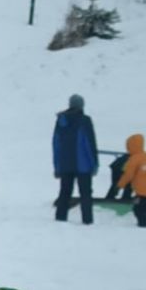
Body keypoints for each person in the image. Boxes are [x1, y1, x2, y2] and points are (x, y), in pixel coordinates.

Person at [53, 94, 99, 224]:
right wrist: (94, 164)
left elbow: (56, 144)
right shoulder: (85, 120)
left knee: (64, 192)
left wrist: (57, 166)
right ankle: (87, 220)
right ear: (81, 105)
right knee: (85, 194)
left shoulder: (61, 121)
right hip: (83, 164)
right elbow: (90, 144)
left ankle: (60, 218)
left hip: (65, 164)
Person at [118, 134, 146, 227]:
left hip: (140, 191)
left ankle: (144, 224)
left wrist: (120, 185)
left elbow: (128, 175)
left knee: (138, 209)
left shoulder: (133, 159)